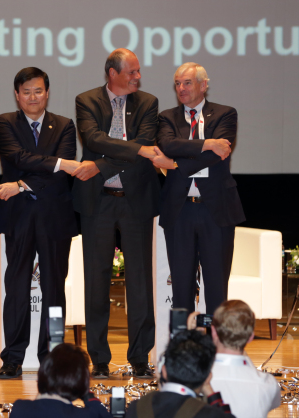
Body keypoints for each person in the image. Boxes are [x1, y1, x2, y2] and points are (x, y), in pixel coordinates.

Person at [72, 48, 159, 379]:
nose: (138, 77)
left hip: (136, 200)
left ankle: (139, 357)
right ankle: (100, 359)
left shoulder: (148, 102)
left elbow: (147, 140)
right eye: (132, 72)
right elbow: (94, 138)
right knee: (96, 283)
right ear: (112, 74)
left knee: (139, 283)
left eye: (138, 72)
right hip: (98, 202)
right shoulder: (87, 100)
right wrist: (136, 150)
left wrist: (98, 165)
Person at [0, 67, 80, 378]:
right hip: (18, 217)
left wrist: (21, 184)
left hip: (55, 218)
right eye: (26, 92)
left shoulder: (65, 126)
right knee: (16, 287)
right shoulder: (4, 122)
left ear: (47, 92)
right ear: (17, 95)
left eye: (38, 91)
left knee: (54, 289)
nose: (33, 97)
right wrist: (56, 164)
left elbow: (61, 175)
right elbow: (16, 158)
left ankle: (53, 354)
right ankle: (13, 356)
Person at [151, 63, 245, 315]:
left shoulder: (226, 114)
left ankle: (216, 346)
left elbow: (218, 155)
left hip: (216, 210)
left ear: (204, 85)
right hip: (180, 211)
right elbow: (169, 144)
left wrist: (174, 165)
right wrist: (208, 144)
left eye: (187, 83)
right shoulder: (167, 117)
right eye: (177, 83)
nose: (181, 88)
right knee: (181, 286)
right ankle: (183, 347)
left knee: (216, 285)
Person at [187, 301, 281, 418]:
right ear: (251, 337)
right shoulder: (268, 383)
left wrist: (187, 342)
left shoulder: (195, 380)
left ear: (214, 332)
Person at [126, 330, 235, 418]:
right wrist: (210, 392)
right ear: (207, 378)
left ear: (163, 371)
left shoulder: (137, 408)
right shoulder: (210, 414)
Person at [11, 344, 111, 418]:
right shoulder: (86, 414)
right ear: (81, 382)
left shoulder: (19, 409)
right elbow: (103, 415)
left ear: (42, 373)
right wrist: (87, 394)